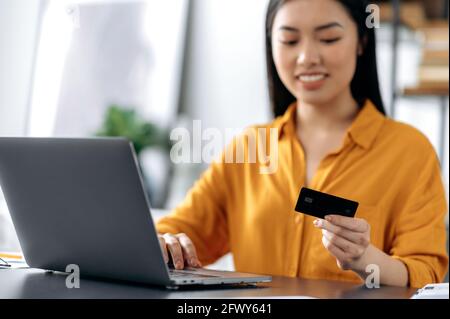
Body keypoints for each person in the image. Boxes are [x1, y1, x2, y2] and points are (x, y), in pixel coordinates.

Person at [156, 0, 448, 288]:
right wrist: (165, 242)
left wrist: (365, 258)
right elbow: (179, 234)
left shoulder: (410, 151)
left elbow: (425, 274)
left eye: (328, 38)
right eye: (289, 40)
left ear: (361, 41)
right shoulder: (249, 147)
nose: (307, 56)